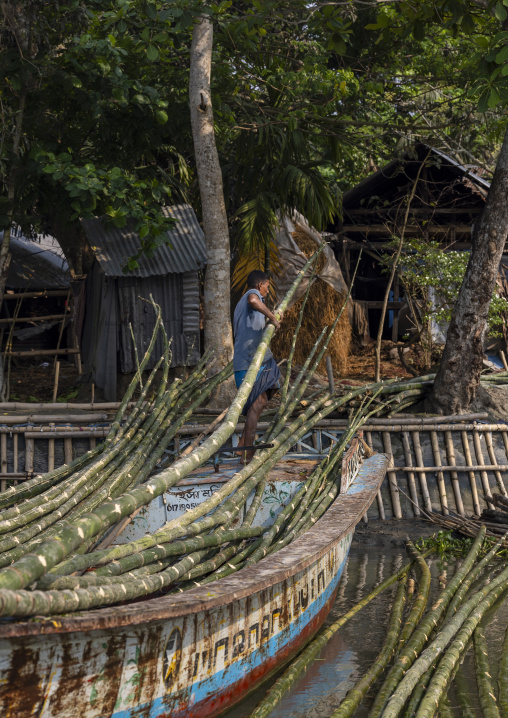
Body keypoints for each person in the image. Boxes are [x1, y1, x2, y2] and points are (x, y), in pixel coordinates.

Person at [233, 270, 282, 463]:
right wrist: (272, 315)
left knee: (260, 402)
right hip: (248, 362)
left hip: (259, 360)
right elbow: (254, 300)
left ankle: (242, 447)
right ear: (260, 285)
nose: (267, 292)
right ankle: (247, 452)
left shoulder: (250, 306)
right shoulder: (250, 296)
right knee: (254, 407)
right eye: (267, 287)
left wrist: (273, 320)